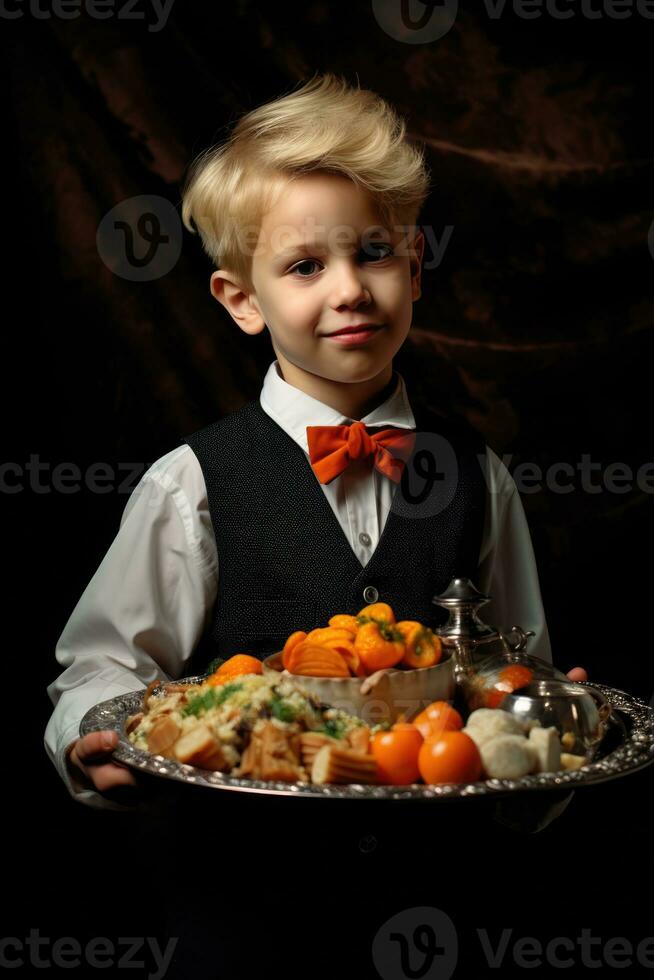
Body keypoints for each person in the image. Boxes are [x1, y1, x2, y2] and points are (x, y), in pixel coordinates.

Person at [45, 71, 588, 811]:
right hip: (244, 886)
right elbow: (98, 666)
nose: (350, 291)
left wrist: (541, 707)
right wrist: (88, 736)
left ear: (416, 264)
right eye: (305, 266)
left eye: (373, 252)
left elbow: (523, 662)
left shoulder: (477, 473)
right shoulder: (192, 482)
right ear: (242, 301)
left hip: (444, 879)